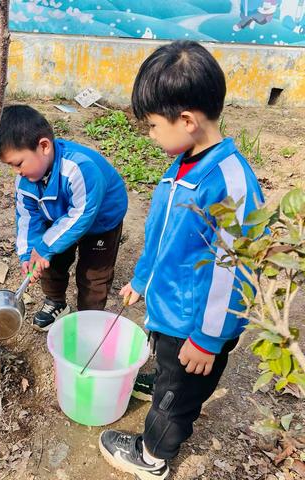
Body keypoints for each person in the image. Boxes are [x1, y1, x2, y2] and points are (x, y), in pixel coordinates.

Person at [98, 40, 264, 480]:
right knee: (171, 369)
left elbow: (237, 271)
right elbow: (164, 235)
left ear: (187, 120)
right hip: (171, 308)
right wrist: (142, 280)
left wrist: (209, 339)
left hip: (196, 323)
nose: (150, 134)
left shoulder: (230, 183)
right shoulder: (185, 160)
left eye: (152, 125)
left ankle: (152, 455)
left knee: (179, 396)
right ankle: (169, 382)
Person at [0, 105, 128, 331]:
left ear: (44, 146)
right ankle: (56, 303)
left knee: (94, 274)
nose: (16, 172)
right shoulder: (25, 180)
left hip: (100, 222)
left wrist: (45, 246)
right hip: (59, 216)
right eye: (10, 166)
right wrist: (29, 253)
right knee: (50, 262)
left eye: (18, 163)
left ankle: (89, 320)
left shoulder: (79, 168)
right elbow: (27, 218)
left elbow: (81, 215)